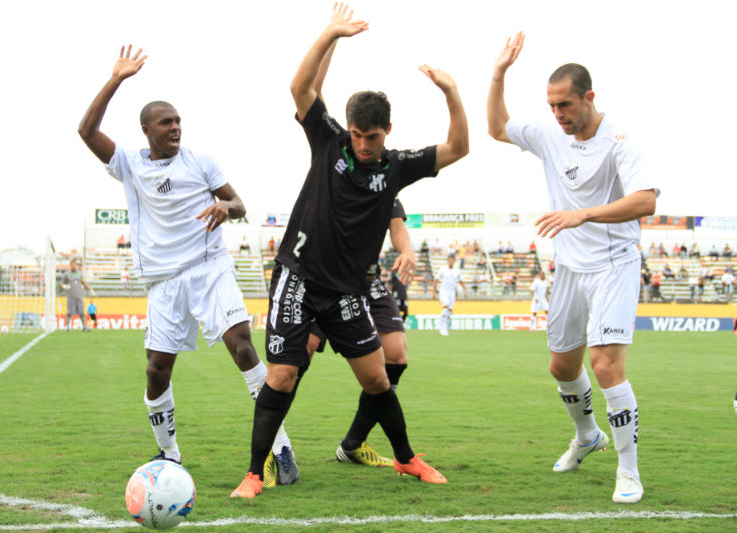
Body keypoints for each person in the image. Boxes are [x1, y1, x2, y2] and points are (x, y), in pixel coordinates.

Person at [230, 2, 468, 498]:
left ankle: (406, 459)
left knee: (378, 379)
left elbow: (458, 148)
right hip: (298, 278)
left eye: (371, 137)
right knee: (283, 373)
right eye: (357, 134)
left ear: (388, 132)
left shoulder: (397, 166)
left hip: (345, 291)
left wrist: (450, 92)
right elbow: (300, 88)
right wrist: (330, 34)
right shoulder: (329, 140)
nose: (362, 144)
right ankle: (254, 473)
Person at [78, 44, 297, 483]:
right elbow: (86, 131)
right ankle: (169, 454)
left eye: (178, 120)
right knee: (156, 369)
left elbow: (239, 203)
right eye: (166, 122)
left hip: (209, 268)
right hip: (164, 281)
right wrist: (116, 79)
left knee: (243, 347)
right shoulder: (130, 165)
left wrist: (225, 207)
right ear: (147, 130)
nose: (175, 127)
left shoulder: (201, 161)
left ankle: (281, 448)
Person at [487, 32, 658, 503]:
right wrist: (499, 73)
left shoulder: (619, 141)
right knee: (562, 365)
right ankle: (587, 437)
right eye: (552, 106)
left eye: (565, 104)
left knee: (605, 365)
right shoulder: (550, 136)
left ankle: (629, 471)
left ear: (589, 97)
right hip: (570, 268)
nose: (558, 114)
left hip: (613, 265)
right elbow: (497, 127)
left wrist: (582, 214)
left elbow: (646, 200)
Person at [309, 198, 416, 468]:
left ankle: (352, 444)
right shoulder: (330, 182)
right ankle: (275, 449)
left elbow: (397, 227)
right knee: (299, 356)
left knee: (396, 355)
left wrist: (407, 250)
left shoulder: (385, 184)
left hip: (367, 281)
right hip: (324, 279)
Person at [432, 254, 467, 336]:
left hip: (452, 293)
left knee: (450, 310)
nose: (450, 262)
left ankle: (446, 328)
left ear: (454, 261)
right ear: (447, 261)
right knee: (446, 306)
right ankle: (441, 327)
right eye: (449, 260)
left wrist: (465, 290)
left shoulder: (457, 271)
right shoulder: (443, 269)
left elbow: (460, 281)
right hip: (444, 291)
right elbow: (436, 280)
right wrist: (433, 291)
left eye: (452, 260)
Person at [60, 259, 94, 332]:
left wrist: (89, 289)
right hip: (70, 296)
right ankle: (67, 327)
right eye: (73, 265)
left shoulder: (79, 274)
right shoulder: (67, 274)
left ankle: (84, 327)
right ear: (70, 265)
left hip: (79, 295)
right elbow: (62, 284)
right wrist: (65, 286)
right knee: (69, 312)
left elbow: (83, 282)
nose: (74, 266)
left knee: (81, 311)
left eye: (75, 265)